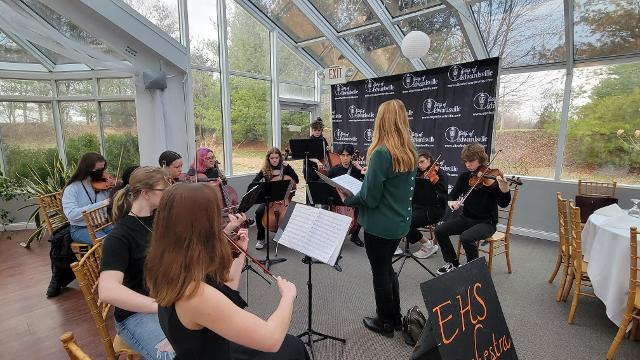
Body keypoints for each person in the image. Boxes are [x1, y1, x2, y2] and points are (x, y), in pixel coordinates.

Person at [146, 183, 309, 360]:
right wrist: (287, 296)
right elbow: (271, 339)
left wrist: (239, 254)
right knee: (293, 347)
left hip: (207, 345)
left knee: (291, 344)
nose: (220, 220)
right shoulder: (196, 294)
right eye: (216, 216)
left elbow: (224, 293)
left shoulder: (167, 266)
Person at [337, 99, 417, 335]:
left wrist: (347, 199)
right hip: (399, 224)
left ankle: (384, 322)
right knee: (388, 270)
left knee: (381, 273)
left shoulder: (382, 152)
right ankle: (395, 317)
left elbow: (370, 199)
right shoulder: (410, 151)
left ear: (381, 121)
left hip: (380, 226)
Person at [98, 166, 175, 359]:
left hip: (169, 301)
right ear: (146, 193)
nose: (169, 195)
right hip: (136, 314)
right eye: (164, 191)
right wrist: (159, 305)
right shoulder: (119, 236)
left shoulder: (160, 220)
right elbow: (108, 290)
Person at [434, 142, 511, 275]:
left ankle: (474, 270)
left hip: (487, 223)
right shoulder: (465, 177)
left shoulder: (491, 180)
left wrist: (504, 189)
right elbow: (452, 195)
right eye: (465, 161)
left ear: (481, 159)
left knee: (466, 237)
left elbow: (504, 203)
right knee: (440, 230)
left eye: (471, 161)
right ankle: (453, 263)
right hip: (467, 218)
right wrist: (451, 201)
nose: (468, 164)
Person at [250, 147, 299, 250]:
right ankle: (261, 238)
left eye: (276, 157)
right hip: (270, 200)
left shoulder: (285, 167)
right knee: (259, 212)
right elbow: (254, 183)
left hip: (284, 199)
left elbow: (297, 180)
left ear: (280, 158)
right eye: (272, 158)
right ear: (268, 159)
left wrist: (289, 167)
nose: (274, 160)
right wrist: (266, 185)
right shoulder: (265, 170)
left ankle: (286, 236)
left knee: (290, 213)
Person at [402, 152, 448, 259]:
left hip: (435, 209)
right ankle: (393, 245)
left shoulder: (440, 175)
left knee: (406, 223)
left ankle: (428, 245)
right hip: (419, 206)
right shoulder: (418, 172)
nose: (420, 165)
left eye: (422, 162)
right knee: (399, 217)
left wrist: (431, 187)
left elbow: (443, 198)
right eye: (418, 163)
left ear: (429, 160)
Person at [62, 152, 113, 245]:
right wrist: (102, 204)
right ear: (87, 169)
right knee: (109, 243)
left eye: (103, 169)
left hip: (103, 224)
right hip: (81, 229)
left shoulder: (103, 185)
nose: (102, 173)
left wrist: (116, 188)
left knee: (125, 238)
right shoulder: (72, 189)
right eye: (98, 170)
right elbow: (71, 214)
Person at [327, 144, 364, 247]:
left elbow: (368, 180)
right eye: (342, 155)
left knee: (361, 212)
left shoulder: (356, 170)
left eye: (348, 155)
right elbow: (325, 184)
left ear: (351, 156)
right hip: (338, 201)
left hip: (353, 200)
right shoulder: (333, 170)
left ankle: (355, 236)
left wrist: (360, 168)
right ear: (339, 156)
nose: (345, 158)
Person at [302, 118, 330, 183]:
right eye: (315, 130)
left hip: (320, 165)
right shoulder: (309, 140)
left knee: (320, 185)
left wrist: (328, 149)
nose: (317, 132)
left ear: (321, 130)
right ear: (312, 130)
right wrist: (317, 161)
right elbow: (307, 155)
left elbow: (325, 152)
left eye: (319, 130)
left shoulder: (323, 139)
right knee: (311, 185)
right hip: (310, 166)